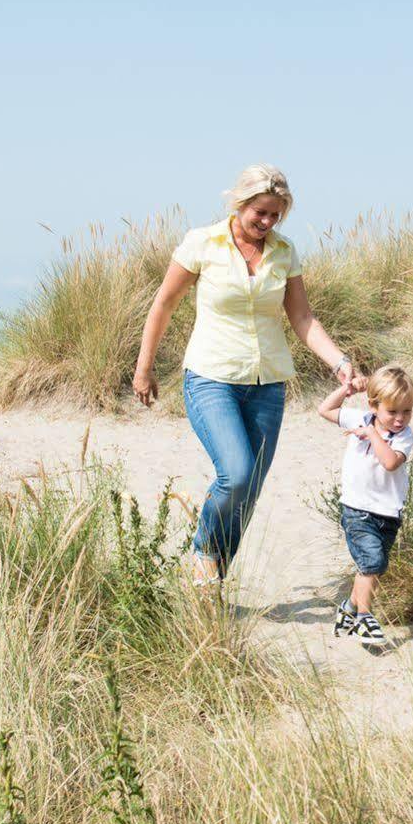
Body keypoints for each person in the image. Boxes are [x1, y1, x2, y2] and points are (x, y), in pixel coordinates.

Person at [132, 165, 355, 582]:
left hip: (267, 383)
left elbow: (302, 317)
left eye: (275, 215)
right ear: (240, 204)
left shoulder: (284, 252)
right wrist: (144, 368)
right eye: (260, 213)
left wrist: (339, 362)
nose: (267, 223)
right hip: (211, 378)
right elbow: (163, 304)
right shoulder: (203, 243)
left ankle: (211, 580)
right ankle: (203, 552)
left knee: (249, 490)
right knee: (235, 474)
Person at [317, 365, 413, 647]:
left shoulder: (404, 436)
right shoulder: (359, 417)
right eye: (392, 411)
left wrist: (373, 435)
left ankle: (348, 610)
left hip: (388, 514)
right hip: (357, 509)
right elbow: (325, 409)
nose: (400, 419)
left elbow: (390, 463)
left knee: (371, 567)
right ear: (374, 406)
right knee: (371, 562)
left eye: (406, 411)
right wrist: (347, 390)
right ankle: (364, 616)